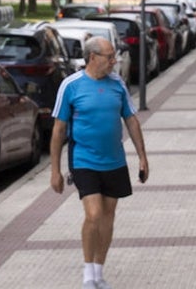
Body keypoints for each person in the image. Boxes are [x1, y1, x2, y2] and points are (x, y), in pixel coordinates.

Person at [50, 35, 149, 289]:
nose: (114, 62)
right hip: (84, 159)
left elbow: (131, 120)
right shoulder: (70, 86)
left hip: (114, 160)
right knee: (93, 214)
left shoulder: (118, 84)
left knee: (108, 216)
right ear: (92, 58)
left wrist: (142, 157)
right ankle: (87, 274)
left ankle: (98, 272)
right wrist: (55, 171)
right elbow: (58, 131)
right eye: (110, 57)